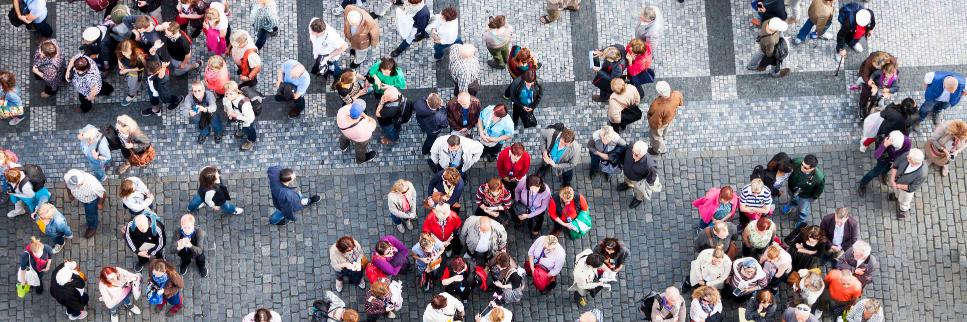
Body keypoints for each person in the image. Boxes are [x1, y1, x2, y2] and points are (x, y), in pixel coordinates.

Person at [857, 131, 910, 196]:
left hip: (893, 161)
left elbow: (906, 153)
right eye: (896, 147)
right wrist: (885, 145)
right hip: (884, 159)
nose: (899, 148)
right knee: (875, 172)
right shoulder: (885, 140)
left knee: (886, 169)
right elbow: (876, 155)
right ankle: (862, 184)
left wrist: (896, 162)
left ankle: (883, 174)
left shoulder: (907, 141)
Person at [783, 154, 825, 228]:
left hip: (805, 195)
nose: (802, 167)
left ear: (812, 168)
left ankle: (802, 220)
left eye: (805, 167)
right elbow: (789, 163)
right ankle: (792, 204)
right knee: (792, 198)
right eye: (802, 164)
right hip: (792, 188)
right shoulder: (797, 162)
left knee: (803, 210)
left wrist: (813, 198)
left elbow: (819, 189)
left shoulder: (819, 177)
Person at [64, 169, 105, 239]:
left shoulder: (93, 185)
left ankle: (92, 227)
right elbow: (66, 183)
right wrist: (69, 193)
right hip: (83, 197)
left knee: (91, 215)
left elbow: (103, 194)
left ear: (80, 184)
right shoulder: (70, 175)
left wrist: (100, 204)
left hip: (90, 201)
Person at [647, 81, 684, 155]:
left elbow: (655, 123)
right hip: (669, 118)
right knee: (666, 127)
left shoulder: (657, 106)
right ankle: (664, 135)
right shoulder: (676, 94)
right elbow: (680, 103)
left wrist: (653, 127)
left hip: (660, 122)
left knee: (656, 136)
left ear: (660, 93)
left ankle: (659, 149)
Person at [887, 149, 926, 219]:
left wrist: (898, 186)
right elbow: (896, 165)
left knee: (904, 201)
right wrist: (892, 179)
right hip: (896, 182)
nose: (907, 157)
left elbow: (912, 187)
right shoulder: (909, 155)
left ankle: (903, 211)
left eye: (909, 159)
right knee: (896, 192)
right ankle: (896, 196)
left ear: (915, 162)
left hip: (906, 190)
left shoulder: (922, 174)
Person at [621, 141, 661, 208]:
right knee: (627, 180)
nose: (633, 156)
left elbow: (651, 179)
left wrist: (643, 185)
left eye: (636, 155)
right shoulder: (631, 146)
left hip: (637, 180)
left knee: (639, 191)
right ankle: (628, 184)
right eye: (632, 152)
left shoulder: (650, 166)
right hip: (627, 173)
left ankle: (639, 199)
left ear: (644, 154)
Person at [308, 17, 347, 81]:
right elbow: (312, 34)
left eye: (314, 32)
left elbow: (344, 47)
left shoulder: (332, 37)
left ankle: (338, 79)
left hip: (330, 58)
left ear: (322, 32)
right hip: (319, 55)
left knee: (335, 70)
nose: (311, 33)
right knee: (319, 66)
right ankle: (322, 72)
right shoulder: (313, 21)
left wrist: (329, 56)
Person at [223, 81, 258, 151]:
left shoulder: (245, 104)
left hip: (247, 123)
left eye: (231, 94)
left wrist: (236, 116)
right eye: (226, 93)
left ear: (236, 91)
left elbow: (250, 118)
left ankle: (251, 140)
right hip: (238, 120)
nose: (228, 96)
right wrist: (227, 110)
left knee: (250, 130)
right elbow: (226, 103)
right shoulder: (227, 97)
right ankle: (242, 130)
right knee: (242, 127)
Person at [115, 40, 146, 105]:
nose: (125, 54)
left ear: (132, 49)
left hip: (137, 73)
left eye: (127, 52)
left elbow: (141, 68)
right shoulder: (120, 51)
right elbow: (119, 56)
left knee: (133, 85)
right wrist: (119, 63)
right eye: (123, 52)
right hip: (129, 70)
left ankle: (131, 95)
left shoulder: (138, 56)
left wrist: (127, 70)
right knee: (130, 82)